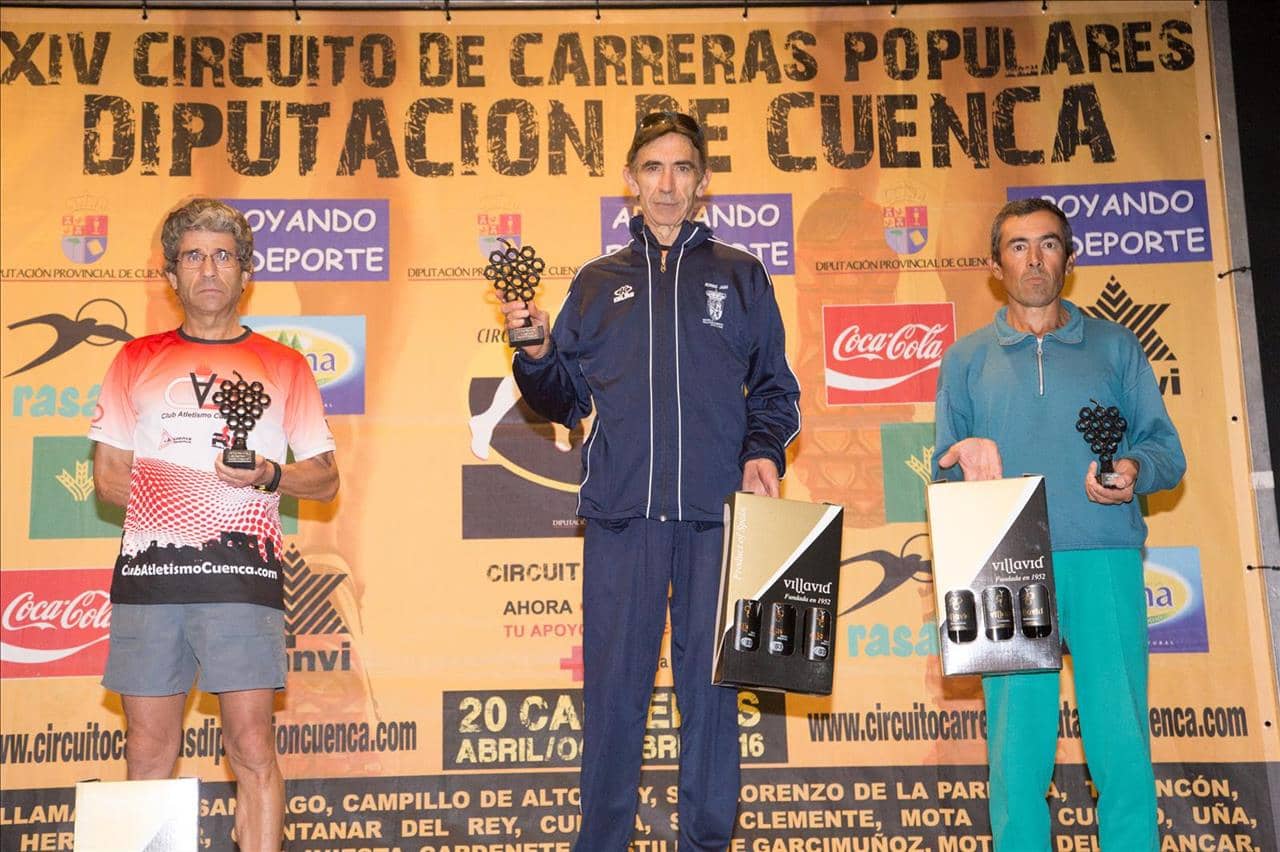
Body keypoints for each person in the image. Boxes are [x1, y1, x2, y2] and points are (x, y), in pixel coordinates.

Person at [501, 111, 800, 851]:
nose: (667, 184)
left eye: (682, 168)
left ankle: (705, 843)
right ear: (630, 182)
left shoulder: (741, 275)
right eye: (653, 168)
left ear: (703, 182)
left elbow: (775, 390)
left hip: (715, 522)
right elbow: (563, 399)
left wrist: (763, 451)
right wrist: (534, 352)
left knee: (713, 698)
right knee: (612, 699)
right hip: (621, 521)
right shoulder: (597, 282)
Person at [933, 198, 1185, 850]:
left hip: (1103, 554)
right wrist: (963, 461)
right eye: (1017, 246)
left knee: (1121, 742)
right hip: (1006, 566)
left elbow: (1167, 452)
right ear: (996, 267)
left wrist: (1134, 468)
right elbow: (942, 471)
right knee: (1016, 758)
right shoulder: (965, 359)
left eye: (1048, 244)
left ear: (1068, 259)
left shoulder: (1116, 345)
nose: (1034, 259)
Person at [91, 198, 339, 852]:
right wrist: (202, 496)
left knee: (252, 746)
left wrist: (267, 474)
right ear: (171, 275)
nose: (208, 269)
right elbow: (109, 479)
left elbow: (325, 478)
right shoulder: (134, 359)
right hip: (151, 582)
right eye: (193, 256)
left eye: (223, 256)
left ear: (245, 273)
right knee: (147, 748)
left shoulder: (285, 365)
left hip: (241, 581)